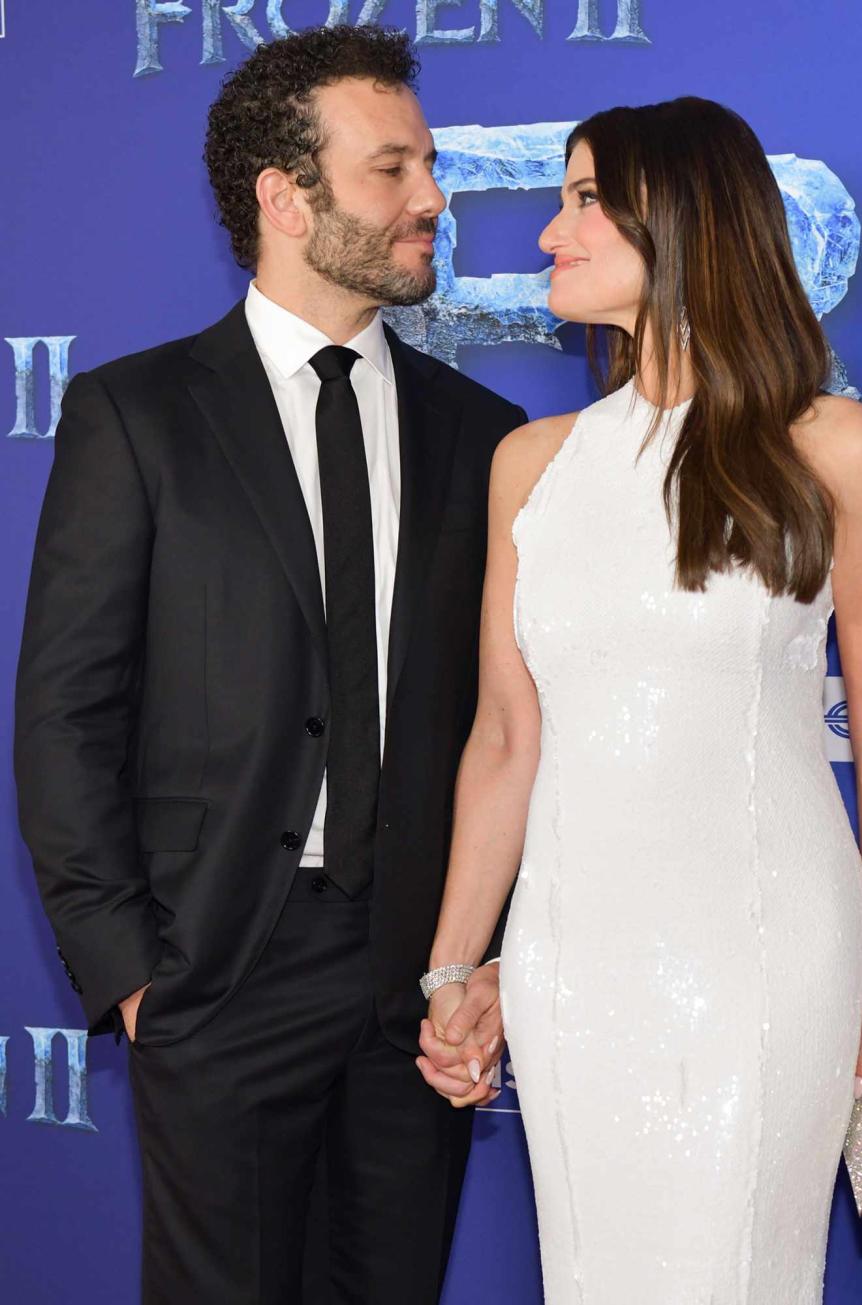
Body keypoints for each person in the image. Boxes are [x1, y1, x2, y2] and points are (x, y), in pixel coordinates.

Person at [416, 97, 862, 1302]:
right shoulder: (532, 467)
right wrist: (456, 973)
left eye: (585, 199)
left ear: (688, 219)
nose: (549, 234)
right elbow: (507, 736)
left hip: (761, 955)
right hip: (571, 967)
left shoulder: (835, 448)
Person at [14, 25, 513, 1304]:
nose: (432, 200)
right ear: (285, 201)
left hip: (421, 974)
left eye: (430, 165)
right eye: (392, 169)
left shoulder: (487, 436)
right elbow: (65, 711)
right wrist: (131, 972)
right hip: (219, 966)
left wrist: (481, 958)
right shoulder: (138, 415)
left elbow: (508, 728)